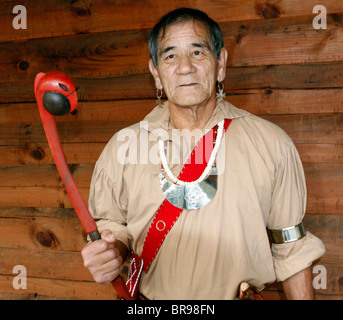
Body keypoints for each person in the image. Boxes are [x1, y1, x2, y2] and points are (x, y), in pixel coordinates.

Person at [81, 7, 325, 300]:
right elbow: (111, 227)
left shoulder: (272, 145)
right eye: (170, 55)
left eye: (198, 52)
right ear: (156, 73)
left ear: (220, 63)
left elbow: (293, 251)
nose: (185, 67)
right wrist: (109, 252)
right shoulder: (122, 147)